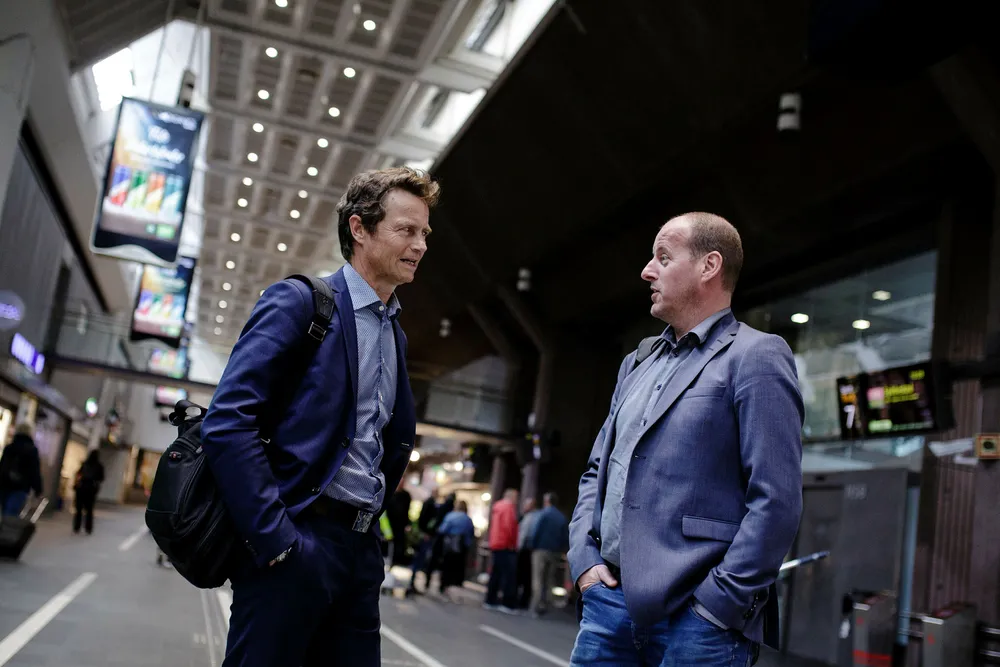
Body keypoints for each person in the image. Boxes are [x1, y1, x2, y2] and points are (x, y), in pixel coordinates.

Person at [200, 167, 440, 667]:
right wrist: (275, 540)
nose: (419, 245)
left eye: (424, 233)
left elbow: (383, 442)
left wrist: (368, 541)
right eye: (406, 230)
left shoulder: (394, 333)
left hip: (359, 553)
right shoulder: (300, 304)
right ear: (359, 229)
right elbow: (228, 421)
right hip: (296, 540)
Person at [567, 213, 803, 666]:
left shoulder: (756, 356)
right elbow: (597, 471)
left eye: (663, 257)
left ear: (709, 265)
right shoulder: (637, 363)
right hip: (607, 604)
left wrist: (717, 606)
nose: (646, 271)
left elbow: (776, 501)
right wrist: (585, 562)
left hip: (698, 623)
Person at [527, 492, 569, 616]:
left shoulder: (543, 514)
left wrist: (532, 545)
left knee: (538, 579)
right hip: (555, 552)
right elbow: (565, 537)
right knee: (549, 579)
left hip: (540, 549)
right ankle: (546, 605)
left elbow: (536, 531)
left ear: (547, 501)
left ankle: (536, 605)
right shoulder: (561, 517)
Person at [484, 488, 519, 611]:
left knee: (496, 573)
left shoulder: (497, 506)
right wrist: (513, 543)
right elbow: (509, 527)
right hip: (505, 544)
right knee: (508, 575)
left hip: (496, 543)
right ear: (512, 497)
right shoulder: (508, 508)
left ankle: (490, 599)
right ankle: (507, 603)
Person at [0, 422, 42, 517]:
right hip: (21, 487)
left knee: (4, 511)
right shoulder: (32, 450)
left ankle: (4, 525)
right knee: (12, 513)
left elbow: (2, 466)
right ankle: (8, 526)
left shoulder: (9, 448)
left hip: (5, 485)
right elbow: (35, 471)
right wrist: (38, 489)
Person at [435, 500, 475, 597]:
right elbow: (470, 535)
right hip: (461, 547)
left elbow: (442, 529)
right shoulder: (467, 519)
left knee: (446, 566)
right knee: (456, 567)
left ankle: (443, 586)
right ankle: (451, 586)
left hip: (449, 545)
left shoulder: (450, 516)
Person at [73, 450, 104, 534]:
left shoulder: (85, 464)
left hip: (81, 488)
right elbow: (101, 478)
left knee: (79, 509)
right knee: (89, 510)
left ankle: (77, 526)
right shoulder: (99, 466)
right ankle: (88, 528)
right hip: (91, 490)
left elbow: (78, 474)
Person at [516, 496, 539, 609]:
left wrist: (518, 548)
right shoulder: (536, 516)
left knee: (523, 576)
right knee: (527, 576)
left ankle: (522, 601)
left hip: (525, 550)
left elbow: (523, 535)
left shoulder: (529, 517)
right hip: (530, 549)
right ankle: (524, 600)